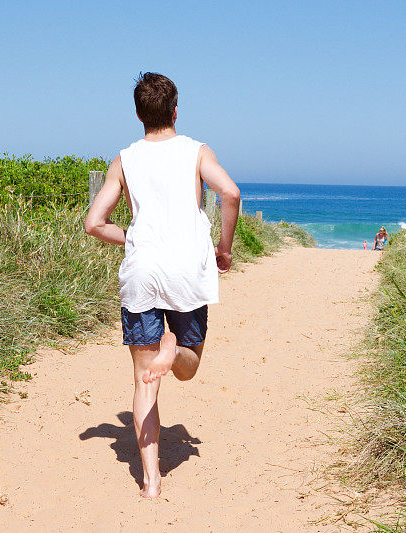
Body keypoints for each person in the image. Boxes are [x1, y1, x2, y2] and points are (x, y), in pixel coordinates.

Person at [84, 72, 240, 499]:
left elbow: (94, 224)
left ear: (138, 114)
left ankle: (150, 482)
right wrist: (222, 248)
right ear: (175, 110)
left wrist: (132, 235)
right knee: (188, 369)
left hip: (142, 273)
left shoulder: (124, 160)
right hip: (187, 271)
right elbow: (230, 193)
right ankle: (173, 350)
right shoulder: (195, 151)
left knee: (142, 381)